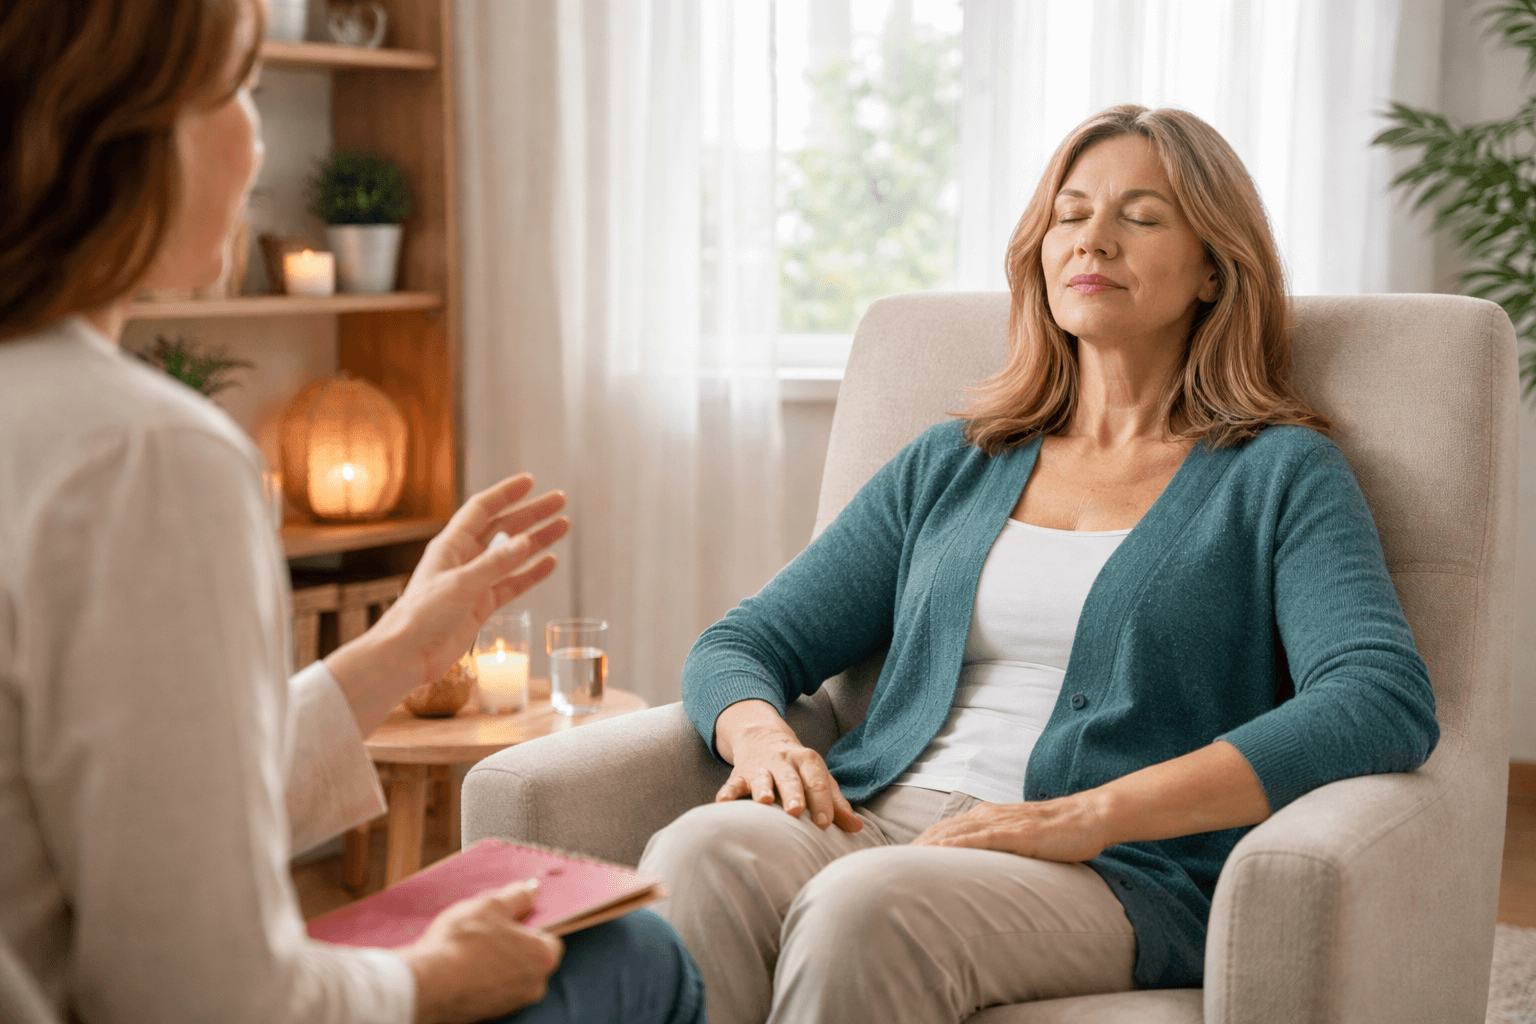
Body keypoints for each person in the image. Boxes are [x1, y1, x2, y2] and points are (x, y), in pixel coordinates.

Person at [637, 103, 1441, 1024]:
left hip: (1111, 867)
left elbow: (1380, 698)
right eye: (1070, 214)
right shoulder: (955, 460)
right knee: (697, 851)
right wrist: (766, 740)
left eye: (1140, 217)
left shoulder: (1277, 473)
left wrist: (1092, 815)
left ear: (1216, 269)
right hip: (880, 814)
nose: (1093, 239)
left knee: (862, 911)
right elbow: (746, 643)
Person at [0, 2, 705, 1023]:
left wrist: (401, 651)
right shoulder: (142, 456)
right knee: (635, 951)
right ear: (126, 127)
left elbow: (150, 811)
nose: (259, 138)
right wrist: (426, 978)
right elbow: (197, 996)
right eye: (236, 89)